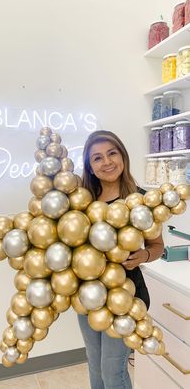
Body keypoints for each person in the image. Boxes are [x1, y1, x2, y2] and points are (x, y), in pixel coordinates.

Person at [78, 130, 164, 389]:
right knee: (94, 362)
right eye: (97, 158)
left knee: (112, 370)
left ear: (123, 157)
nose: (106, 162)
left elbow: (157, 246)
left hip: (125, 295)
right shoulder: (82, 201)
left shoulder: (141, 199)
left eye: (112, 153)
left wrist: (144, 255)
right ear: (90, 168)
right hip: (89, 295)